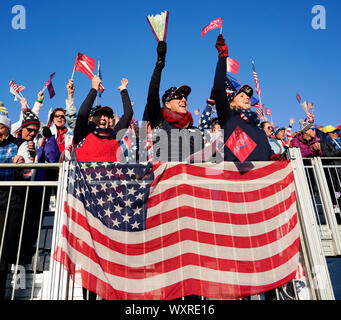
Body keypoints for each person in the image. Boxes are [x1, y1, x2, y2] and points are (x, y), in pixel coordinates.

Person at [213, 34, 273, 162]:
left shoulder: (260, 130)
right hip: (238, 178)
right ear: (231, 102)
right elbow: (218, 88)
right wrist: (223, 57)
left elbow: (270, 154)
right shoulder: (229, 117)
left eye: (248, 96)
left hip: (264, 179)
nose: (247, 98)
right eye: (241, 96)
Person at [143, 40, 204, 162]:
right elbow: (152, 94)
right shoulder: (159, 121)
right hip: (165, 179)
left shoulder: (195, 130)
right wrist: (160, 63)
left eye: (185, 97)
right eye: (178, 97)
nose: (183, 100)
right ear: (167, 104)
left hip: (190, 179)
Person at [0, 105, 28, 299]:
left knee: (2, 251)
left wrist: (20, 161)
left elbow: (27, 164)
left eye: (0, 126)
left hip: (10, 203)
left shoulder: (19, 143)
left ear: (7, 127)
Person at [73, 76, 133, 162]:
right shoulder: (82, 134)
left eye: (106, 116)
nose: (103, 118)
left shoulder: (114, 135)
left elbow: (128, 114)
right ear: (90, 118)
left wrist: (123, 90)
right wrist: (94, 89)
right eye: (99, 115)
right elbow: (82, 114)